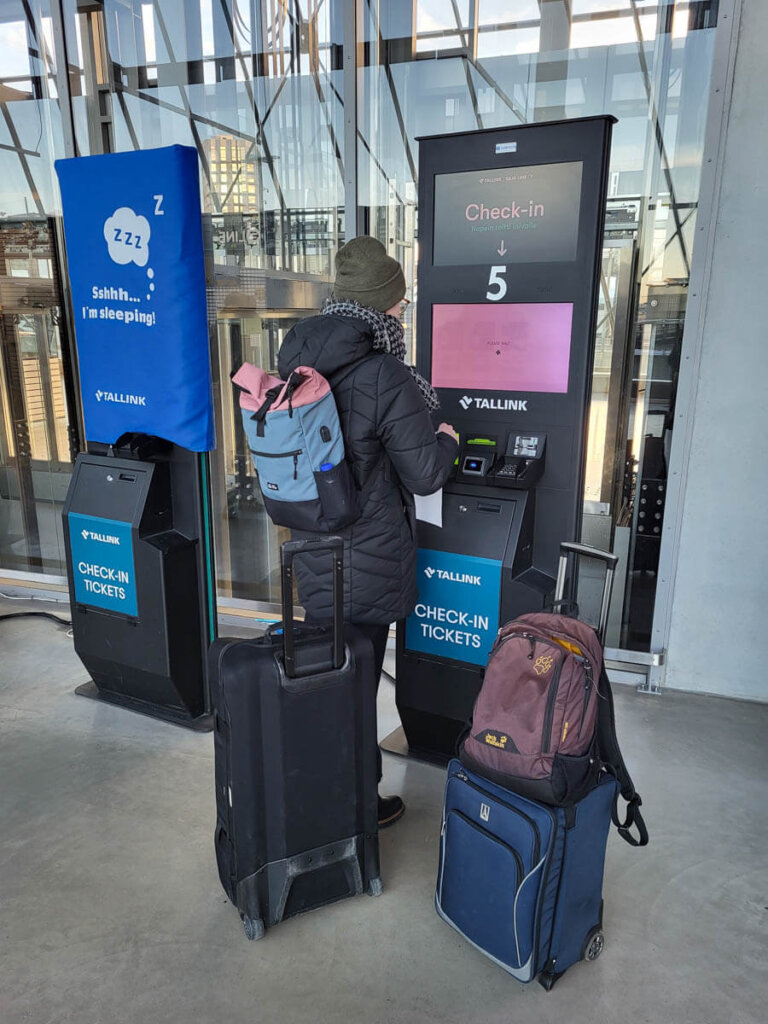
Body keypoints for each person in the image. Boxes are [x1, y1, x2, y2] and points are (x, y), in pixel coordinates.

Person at [277, 236, 458, 828]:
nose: (404, 312)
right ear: (380, 307)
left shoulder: (296, 359)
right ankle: (357, 806)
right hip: (369, 559)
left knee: (328, 682)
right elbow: (425, 472)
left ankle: (319, 795)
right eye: (399, 303)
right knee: (358, 689)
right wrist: (449, 440)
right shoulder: (383, 373)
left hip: (310, 546)